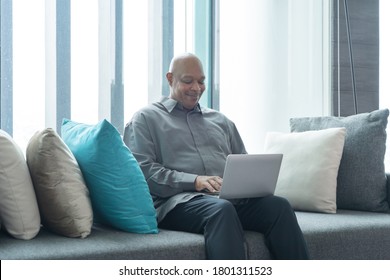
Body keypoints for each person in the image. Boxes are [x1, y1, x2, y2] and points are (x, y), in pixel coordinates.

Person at [124, 53, 309, 260]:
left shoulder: (220, 121)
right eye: (188, 81)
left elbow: (243, 162)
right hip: (179, 202)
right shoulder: (146, 119)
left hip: (227, 201)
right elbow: (145, 173)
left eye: (201, 81)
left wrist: (251, 183)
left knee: (278, 206)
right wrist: (195, 181)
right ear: (170, 79)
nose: (196, 88)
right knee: (221, 210)